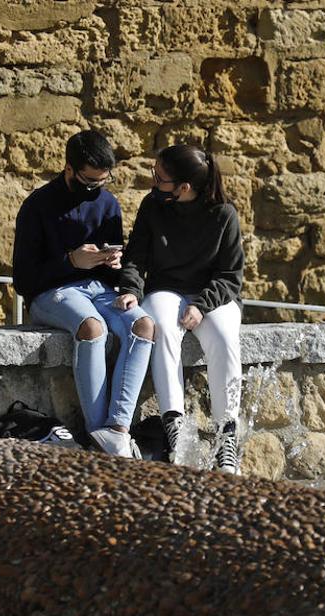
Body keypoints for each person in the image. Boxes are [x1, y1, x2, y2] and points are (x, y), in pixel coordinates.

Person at [12, 129, 154, 458]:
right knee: (93, 328)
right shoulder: (37, 206)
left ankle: (116, 430)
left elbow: (113, 272)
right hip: (52, 293)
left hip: (98, 289)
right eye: (89, 182)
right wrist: (72, 261)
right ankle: (97, 433)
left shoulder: (108, 204)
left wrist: (113, 263)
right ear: (69, 170)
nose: (95, 189)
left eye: (103, 181)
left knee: (142, 325)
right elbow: (24, 280)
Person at [116, 143, 245, 474]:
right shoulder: (152, 206)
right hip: (166, 289)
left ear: (184, 187)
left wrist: (202, 306)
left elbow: (231, 276)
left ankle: (226, 435)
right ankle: (173, 423)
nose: (153, 182)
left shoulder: (224, 214)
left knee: (224, 336)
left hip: (213, 295)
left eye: (160, 178)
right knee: (160, 325)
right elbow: (135, 257)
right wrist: (131, 289)